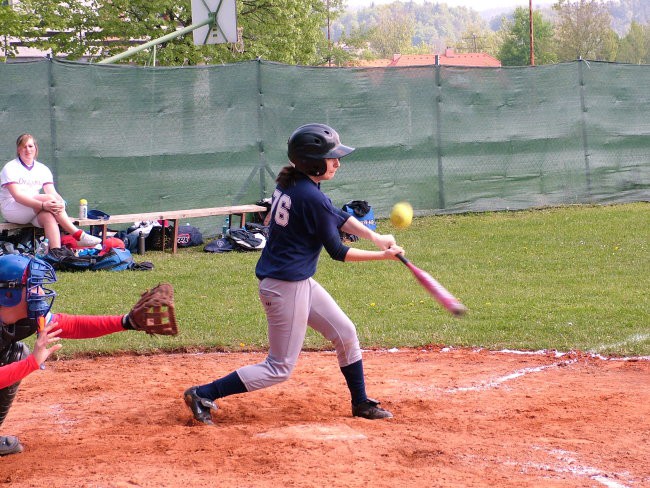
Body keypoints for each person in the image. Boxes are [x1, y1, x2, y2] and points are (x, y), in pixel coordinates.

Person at [184, 123, 404, 424]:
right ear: (312, 162)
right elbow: (338, 251)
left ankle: (361, 403)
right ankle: (202, 393)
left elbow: (336, 215)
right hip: (285, 288)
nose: (337, 163)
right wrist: (383, 255)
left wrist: (376, 237)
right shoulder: (309, 195)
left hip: (296, 282)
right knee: (279, 367)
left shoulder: (295, 183)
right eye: (331, 157)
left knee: (346, 333)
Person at [0, 254, 176, 456]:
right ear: (8, 294)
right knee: (23, 358)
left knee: (17, 354)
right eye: (33, 286)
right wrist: (32, 363)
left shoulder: (28, 315)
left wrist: (126, 322)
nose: (40, 292)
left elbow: (70, 325)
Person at [0, 134, 101, 255]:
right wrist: (43, 205)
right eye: (24, 146)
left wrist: (61, 203)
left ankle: (56, 254)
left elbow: (52, 192)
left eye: (30, 146)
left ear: (36, 148)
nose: (28, 149)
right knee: (48, 199)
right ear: (18, 149)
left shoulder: (42, 168)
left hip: (33, 209)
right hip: (12, 208)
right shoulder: (10, 167)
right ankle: (78, 234)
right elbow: (17, 196)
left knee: (48, 216)